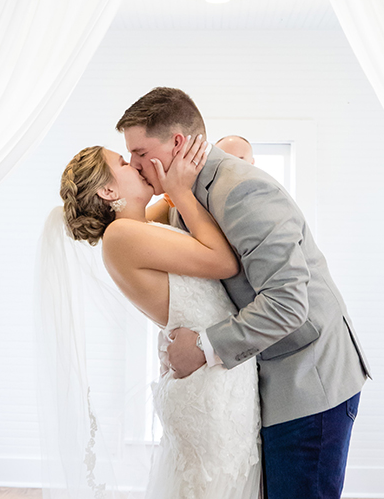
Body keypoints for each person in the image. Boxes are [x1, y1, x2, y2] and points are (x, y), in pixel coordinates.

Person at [116, 87, 371, 499]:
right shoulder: (183, 197)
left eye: (140, 153)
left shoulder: (242, 189)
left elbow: (288, 304)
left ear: (177, 143)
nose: (134, 165)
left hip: (309, 378)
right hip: (265, 377)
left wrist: (201, 347)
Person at [59, 137, 262, 499]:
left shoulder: (138, 226)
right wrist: (180, 190)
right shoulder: (120, 235)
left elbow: (174, 205)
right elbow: (223, 261)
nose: (135, 165)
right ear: (108, 190)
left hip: (220, 378)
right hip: (207, 391)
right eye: (123, 163)